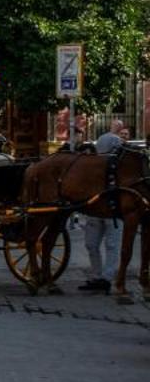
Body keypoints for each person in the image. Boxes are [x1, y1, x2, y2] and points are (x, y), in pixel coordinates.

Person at [76, 123, 127, 293]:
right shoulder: (94, 168)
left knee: (110, 246)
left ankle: (105, 278)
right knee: (92, 244)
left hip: (113, 212)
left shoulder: (121, 168)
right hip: (96, 212)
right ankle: (98, 276)